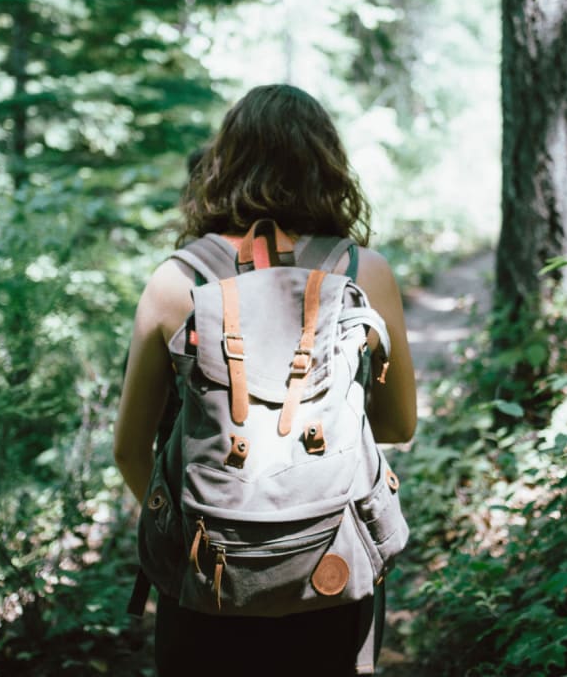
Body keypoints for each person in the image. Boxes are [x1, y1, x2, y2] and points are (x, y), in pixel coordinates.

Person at [114, 84, 417, 676]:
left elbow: (130, 449)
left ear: (224, 164)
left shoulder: (176, 281)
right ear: (326, 166)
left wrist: (197, 530)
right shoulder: (364, 272)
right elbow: (398, 424)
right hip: (332, 565)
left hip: (207, 578)